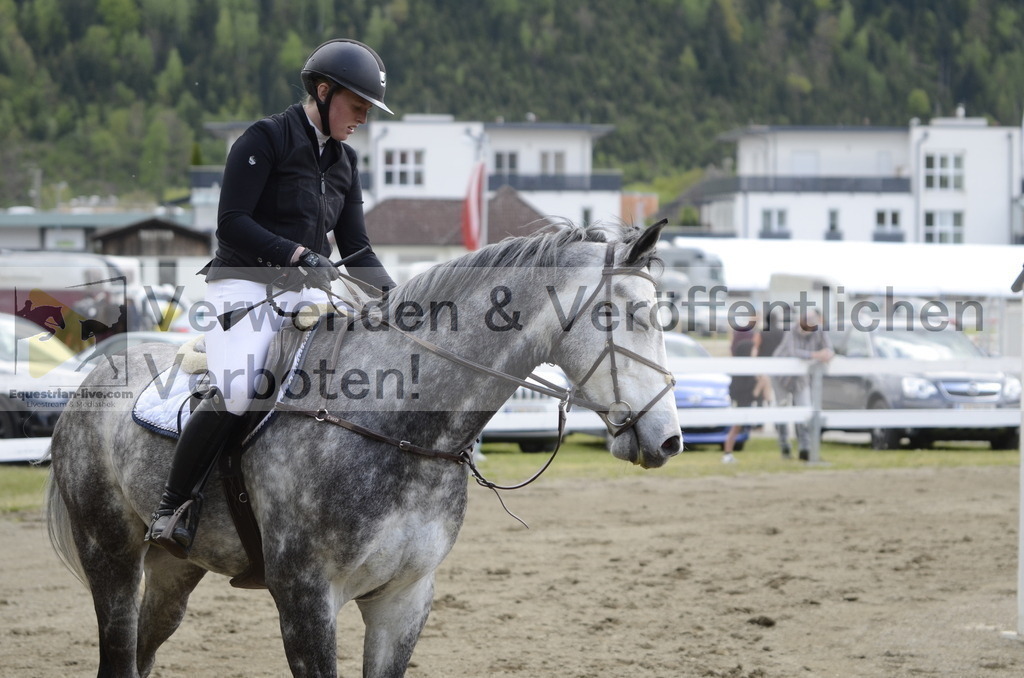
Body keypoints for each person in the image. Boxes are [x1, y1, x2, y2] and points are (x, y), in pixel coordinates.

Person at [146, 39, 397, 558]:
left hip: (305, 292)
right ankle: (173, 507)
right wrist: (299, 253)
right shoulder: (264, 139)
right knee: (239, 391)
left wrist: (398, 301)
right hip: (244, 285)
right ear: (324, 93)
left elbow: (357, 248)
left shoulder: (345, 162)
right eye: (358, 107)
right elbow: (232, 222)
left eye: (368, 111)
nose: (363, 119)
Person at [771, 307, 834, 461]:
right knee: (782, 410)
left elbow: (829, 349)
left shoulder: (820, 332)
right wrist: (816, 355)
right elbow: (793, 352)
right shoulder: (791, 331)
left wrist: (828, 354)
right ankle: (784, 446)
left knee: (804, 410)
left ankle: (805, 449)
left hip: (801, 377)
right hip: (781, 376)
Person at [721, 317, 760, 463]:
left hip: (741, 391)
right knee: (737, 425)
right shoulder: (747, 346)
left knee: (738, 424)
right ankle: (727, 452)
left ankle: (728, 452)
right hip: (744, 392)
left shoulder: (740, 344)